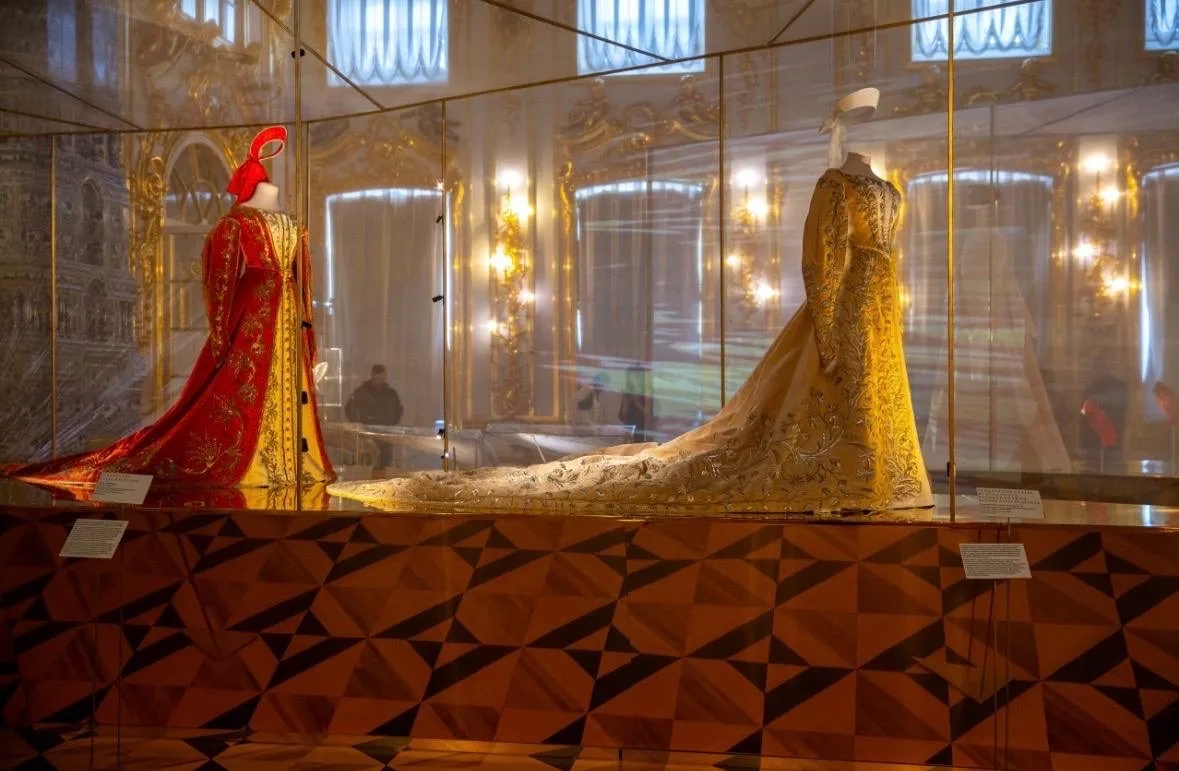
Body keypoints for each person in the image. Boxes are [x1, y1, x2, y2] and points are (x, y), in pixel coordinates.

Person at [328, 88, 933, 515]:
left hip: (864, 314)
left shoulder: (863, 187)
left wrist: (838, 324)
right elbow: (821, 266)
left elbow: (826, 265)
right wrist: (828, 331)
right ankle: (865, 473)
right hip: (861, 312)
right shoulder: (862, 189)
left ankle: (871, 474)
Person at [7, 127, 335, 492]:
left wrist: (221, 331)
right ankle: (279, 462)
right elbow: (300, 286)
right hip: (284, 311)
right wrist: (305, 335)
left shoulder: (236, 223)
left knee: (246, 386)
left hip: (256, 310)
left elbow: (220, 281)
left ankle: (267, 461)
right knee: (259, 387)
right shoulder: (291, 226)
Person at [345, 364, 404, 468]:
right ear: (372, 376)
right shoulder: (361, 392)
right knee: (366, 467)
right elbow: (349, 409)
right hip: (366, 437)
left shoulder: (391, 394)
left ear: (385, 377)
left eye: (381, 379)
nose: (378, 382)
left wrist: (390, 425)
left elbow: (398, 411)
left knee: (385, 466)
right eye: (377, 379)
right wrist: (358, 425)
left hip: (385, 437)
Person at [618, 363, 655, 441]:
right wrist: (626, 401)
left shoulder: (646, 392)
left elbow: (647, 414)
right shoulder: (627, 392)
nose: (633, 378)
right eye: (630, 375)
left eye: (636, 375)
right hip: (629, 431)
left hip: (641, 432)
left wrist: (636, 402)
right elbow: (622, 416)